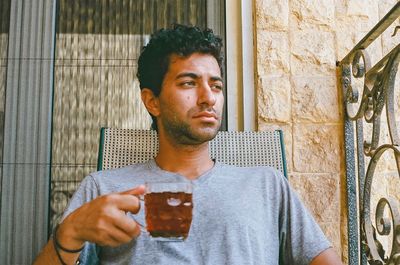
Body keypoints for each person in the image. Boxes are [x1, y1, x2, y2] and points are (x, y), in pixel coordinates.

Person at [34, 24, 343, 265]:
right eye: (188, 83)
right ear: (151, 101)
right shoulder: (105, 188)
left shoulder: (266, 184)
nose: (208, 97)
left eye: (216, 85)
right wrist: (69, 233)